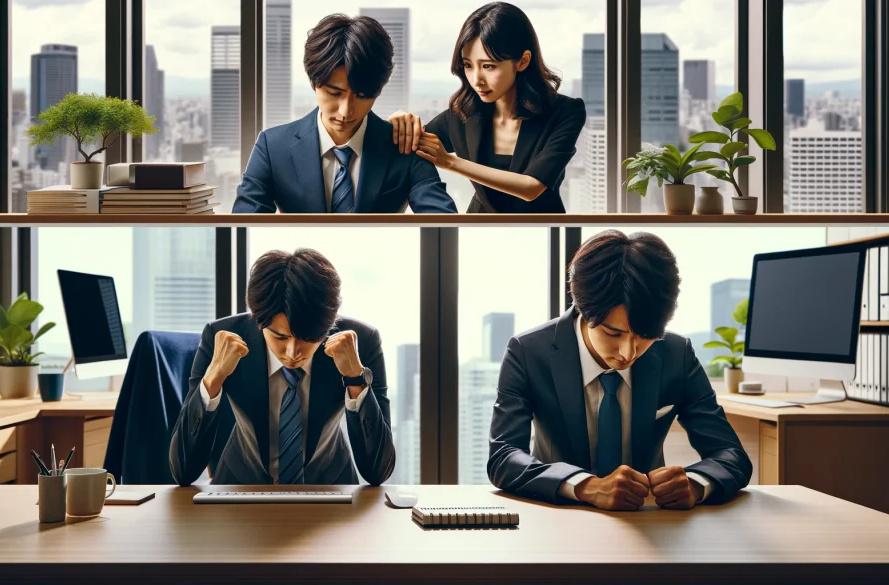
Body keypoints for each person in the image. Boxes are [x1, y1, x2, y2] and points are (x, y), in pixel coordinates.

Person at [489, 230, 752, 510]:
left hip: (649, 520)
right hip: (560, 514)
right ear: (582, 308)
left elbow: (731, 454)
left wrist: (696, 483)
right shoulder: (529, 352)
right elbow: (503, 457)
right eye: (613, 333)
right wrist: (585, 486)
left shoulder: (677, 354)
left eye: (645, 335)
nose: (629, 353)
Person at [169, 248, 395, 486]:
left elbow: (378, 472)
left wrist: (355, 379)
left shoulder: (362, 342)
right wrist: (213, 378)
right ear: (257, 321)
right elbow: (182, 471)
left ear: (329, 326)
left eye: (307, 339)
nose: (293, 353)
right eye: (279, 337)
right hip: (239, 493)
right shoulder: (222, 338)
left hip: (330, 494)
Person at [232, 14, 456, 214]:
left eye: (361, 95)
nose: (346, 111)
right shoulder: (272, 147)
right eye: (334, 92)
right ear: (314, 83)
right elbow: (244, 221)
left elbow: (443, 220)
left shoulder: (405, 146)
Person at [388, 2, 586, 213]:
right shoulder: (462, 114)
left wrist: (450, 162)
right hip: (478, 229)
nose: (476, 80)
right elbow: (404, 147)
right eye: (468, 65)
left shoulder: (565, 112)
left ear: (523, 61)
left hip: (542, 230)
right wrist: (397, 124)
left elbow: (532, 187)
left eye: (488, 66)